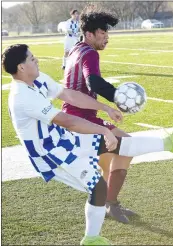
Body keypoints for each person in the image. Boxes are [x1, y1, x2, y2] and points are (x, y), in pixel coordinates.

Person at [2, 44, 173, 245]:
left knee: (118, 145)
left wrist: (105, 108)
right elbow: (68, 120)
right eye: (31, 58)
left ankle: (170, 143)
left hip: (61, 139)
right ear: (21, 67)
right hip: (50, 154)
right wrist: (104, 129)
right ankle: (91, 239)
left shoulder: (37, 80)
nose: (36, 60)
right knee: (98, 186)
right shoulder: (22, 97)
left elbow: (70, 95)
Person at [62, 7, 134, 223]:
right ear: (90, 34)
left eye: (107, 34)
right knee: (127, 146)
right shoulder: (90, 53)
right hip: (82, 118)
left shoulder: (76, 48)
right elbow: (93, 81)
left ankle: (103, 203)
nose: (107, 38)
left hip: (73, 116)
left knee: (107, 162)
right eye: (103, 34)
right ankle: (111, 204)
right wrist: (118, 97)